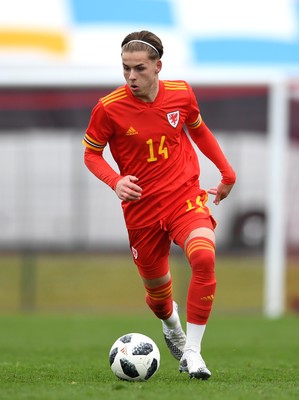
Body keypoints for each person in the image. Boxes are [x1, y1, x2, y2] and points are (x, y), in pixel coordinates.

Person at [82, 30, 236, 380]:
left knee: (203, 256)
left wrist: (227, 173)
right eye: (125, 69)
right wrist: (115, 181)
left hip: (183, 197)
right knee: (158, 298)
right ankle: (171, 324)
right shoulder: (108, 108)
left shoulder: (181, 94)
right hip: (142, 211)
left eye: (139, 68)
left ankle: (193, 354)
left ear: (157, 66)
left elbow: (198, 129)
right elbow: (91, 155)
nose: (131, 77)